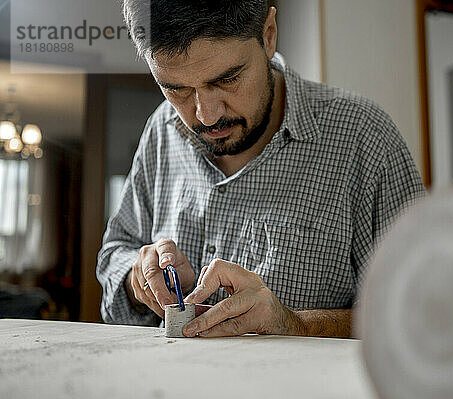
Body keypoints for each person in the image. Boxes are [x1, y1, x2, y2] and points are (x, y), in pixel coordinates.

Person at [97, 0, 426, 338]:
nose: (206, 115)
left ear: (268, 35)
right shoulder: (161, 130)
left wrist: (295, 324)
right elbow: (115, 254)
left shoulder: (363, 138)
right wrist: (139, 278)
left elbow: (425, 313)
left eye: (227, 79)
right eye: (176, 89)